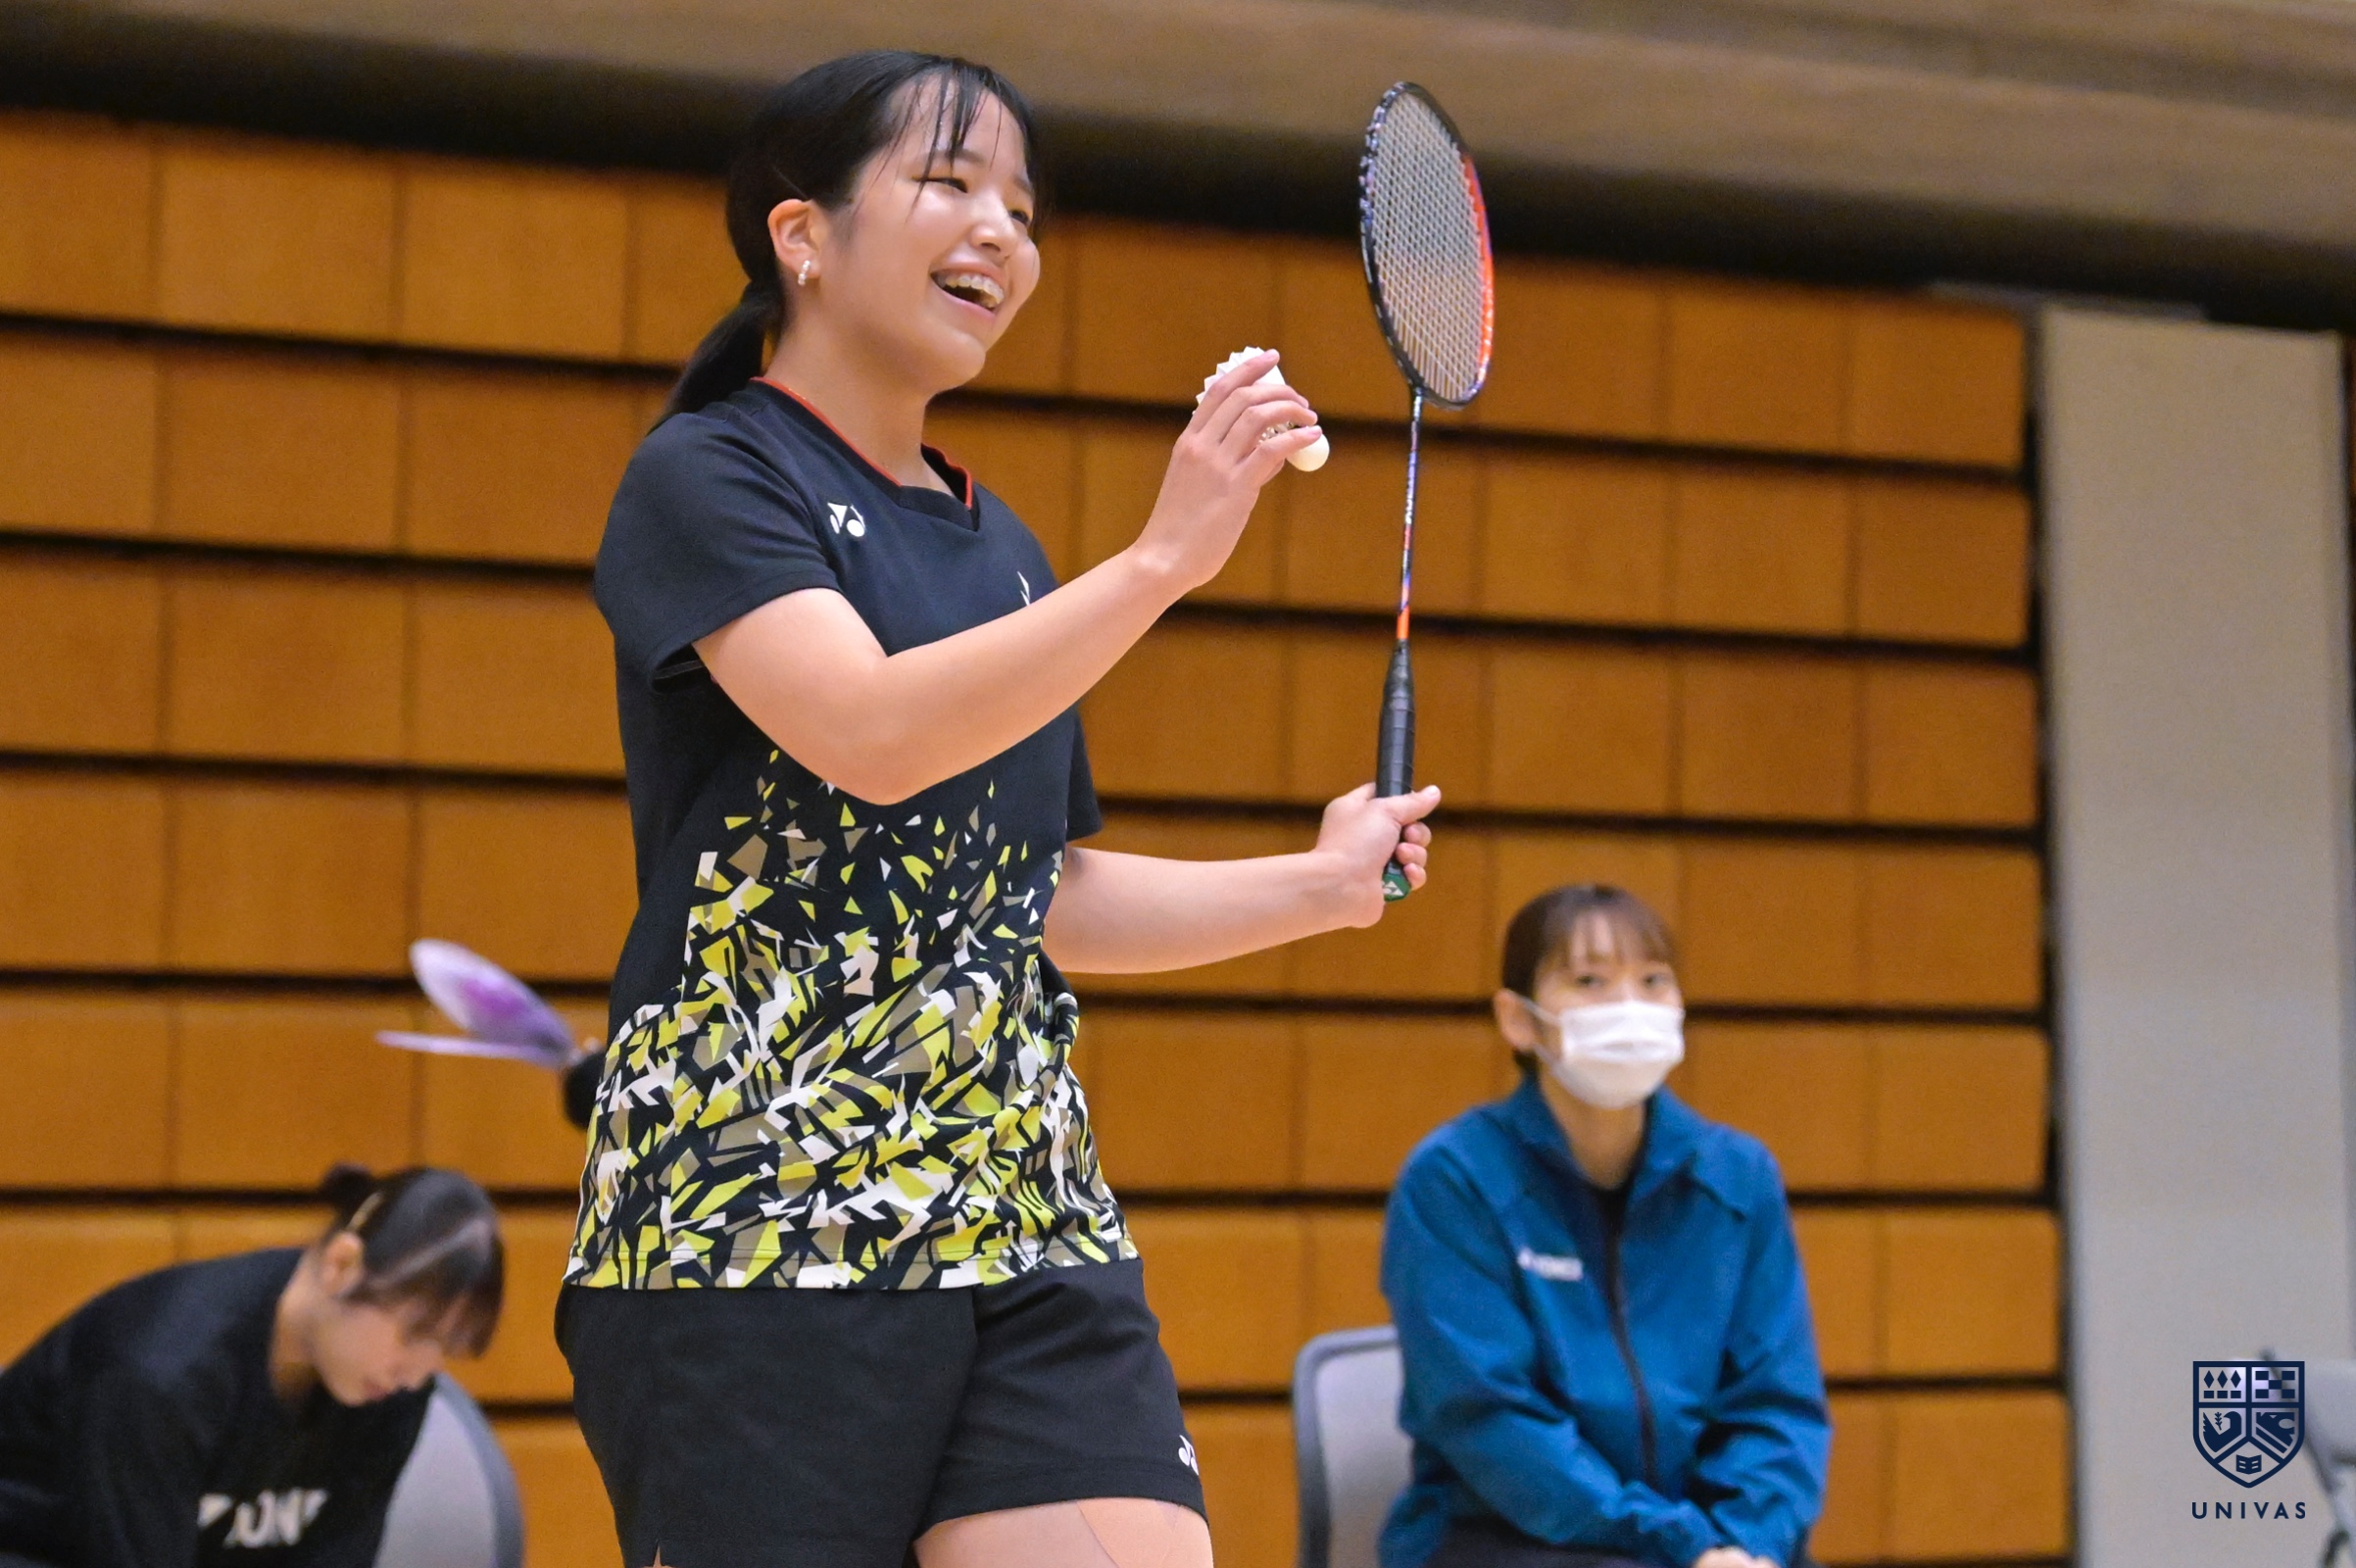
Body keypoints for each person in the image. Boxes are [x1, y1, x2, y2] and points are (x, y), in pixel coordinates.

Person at [558, 47, 1439, 1568]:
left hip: (1020, 1202)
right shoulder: (709, 477)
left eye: (1022, 209)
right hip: (759, 1213)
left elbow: (1030, 894)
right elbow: (867, 735)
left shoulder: (1004, 548)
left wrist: (1317, 883)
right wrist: (1162, 562)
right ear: (802, 235)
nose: (1002, 234)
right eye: (948, 182)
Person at [1380, 885, 1829, 1568]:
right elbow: (1491, 1420)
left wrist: (1748, 1544)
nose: (1629, 1006)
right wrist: (1685, 1545)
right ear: (1518, 1019)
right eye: (1590, 981)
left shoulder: (1739, 1177)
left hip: (1718, 1543)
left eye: (1653, 981)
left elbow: (1777, 1402)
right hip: (1509, 1537)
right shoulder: (1454, 1179)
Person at [0, 1165, 504, 1568]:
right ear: (342, 1266)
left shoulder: (388, 1391)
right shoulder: (159, 1378)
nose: (416, 1374)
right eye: (414, 1333)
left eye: (444, 1347)